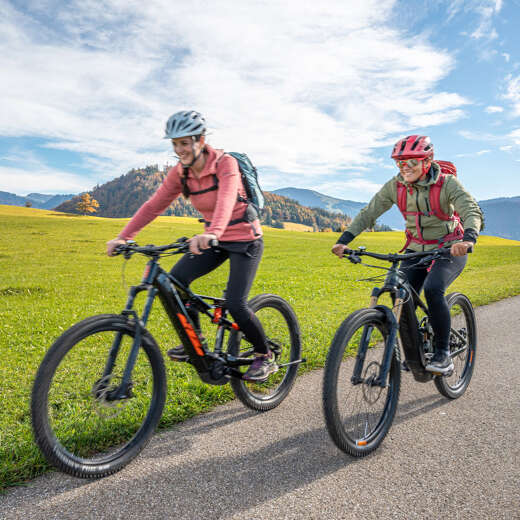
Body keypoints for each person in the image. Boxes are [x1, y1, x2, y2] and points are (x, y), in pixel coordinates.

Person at [106, 110, 276, 381]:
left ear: (200, 140)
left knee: (236, 303)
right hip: (214, 239)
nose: (179, 149)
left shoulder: (225, 163)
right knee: (175, 282)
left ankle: (264, 354)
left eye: (185, 143)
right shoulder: (181, 172)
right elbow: (154, 205)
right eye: (175, 144)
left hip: (245, 240)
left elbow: (226, 200)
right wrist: (124, 236)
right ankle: (195, 345)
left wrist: (213, 232)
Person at [332, 135, 483, 374]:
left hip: (449, 246)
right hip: (415, 248)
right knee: (399, 295)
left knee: (434, 289)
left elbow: (470, 209)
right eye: (400, 163)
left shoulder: (447, 183)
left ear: (428, 160)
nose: (405, 168)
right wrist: (343, 241)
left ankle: (443, 353)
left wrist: (468, 238)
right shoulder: (396, 185)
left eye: (411, 161)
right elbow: (369, 212)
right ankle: (416, 351)